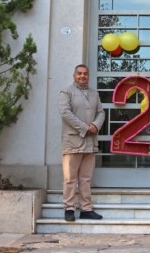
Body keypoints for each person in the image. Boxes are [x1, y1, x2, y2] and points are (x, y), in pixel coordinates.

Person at [58, 63, 105, 222]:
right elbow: (65, 112)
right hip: (73, 142)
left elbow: (101, 112)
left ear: (88, 76)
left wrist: (96, 125)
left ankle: (86, 209)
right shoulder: (67, 91)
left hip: (90, 142)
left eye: (85, 73)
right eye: (79, 73)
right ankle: (69, 208)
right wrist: (85, 127)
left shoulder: (94, 93)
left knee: (85, 179)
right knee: (70, 178)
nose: (82, 76)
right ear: (74, 75)